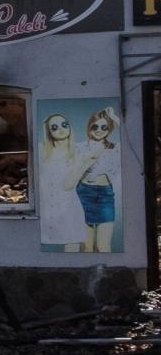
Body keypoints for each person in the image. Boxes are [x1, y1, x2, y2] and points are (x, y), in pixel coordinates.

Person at [38, 113, 88, 251]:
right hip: (47, 207)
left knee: (72, 248)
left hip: (69, 207)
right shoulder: (42, 150)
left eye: (64, 124)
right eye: (54, 127)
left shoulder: (78, 150)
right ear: (48, 131)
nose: (61, 129)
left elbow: (110, 145)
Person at [77, 107, 121, 253]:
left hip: (105, 196)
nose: (99, 130)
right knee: (87, 247)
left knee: (103, 247)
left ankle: (106, 276)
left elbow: (133, 137)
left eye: (104, 127)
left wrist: (113, 118)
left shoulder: (115, 148)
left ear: (110, 129)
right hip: (83, 194)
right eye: (95, 126)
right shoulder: (79, 147)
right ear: (89, 127)